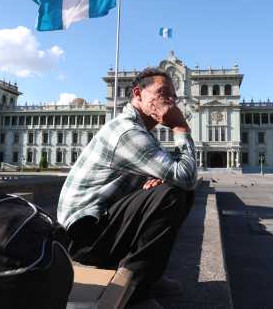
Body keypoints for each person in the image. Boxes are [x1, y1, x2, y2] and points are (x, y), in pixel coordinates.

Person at [57, 67, 197, 307]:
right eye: (162, 92)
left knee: (177, 190)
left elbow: (178, 175)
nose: (170, 100)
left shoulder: (144, 133)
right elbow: (184, 175)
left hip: (101, 222)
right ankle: (135, 290)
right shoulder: (127, 131)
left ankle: (149, 276)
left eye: (173, 95)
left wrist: (163, 179)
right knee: (172, 194)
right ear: (138, 93)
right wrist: (181, 128)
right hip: (84, 235)